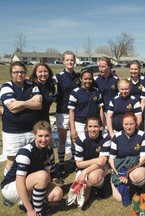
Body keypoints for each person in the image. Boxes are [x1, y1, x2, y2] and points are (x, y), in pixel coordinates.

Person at [1, 121, 63, 216]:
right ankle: (37, 211)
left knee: (58, 193)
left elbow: (48, 177)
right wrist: (29, 209)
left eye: (47, 136)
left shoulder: (49, 150)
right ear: (34, 135)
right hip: (11, 187)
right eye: (40, 136)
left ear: (51, 136)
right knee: (42, 176)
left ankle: (35, 201)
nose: (44, 139)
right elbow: (19, 182)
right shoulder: (25, 152)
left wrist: (48, 195)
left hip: (30, 182)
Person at [0, 61, 42, 177]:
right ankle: (7, 185)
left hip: (30, 130)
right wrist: (29, 102)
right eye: (16, 72)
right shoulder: (6, 86)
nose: (19, 74)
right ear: (11, 73)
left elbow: (39, 105)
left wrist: (21, 103)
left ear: (25, 73)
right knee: (12, 161)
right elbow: (12, 109)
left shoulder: (32, 85)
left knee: (29, 159)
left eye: (22, 72)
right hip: (12, 131)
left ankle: (27, 186)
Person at [66, 116, 111, 208]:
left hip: (99, 167)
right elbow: (78, 163)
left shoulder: (106, 137)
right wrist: (94, 161)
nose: (93, 129)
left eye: (95, 126)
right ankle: (88, 186)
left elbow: (102, 161)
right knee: (78, 203)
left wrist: (85, 172)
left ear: (100, 127)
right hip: (84, 166)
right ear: (86, 127)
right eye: (90, 126)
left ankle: (100, 187)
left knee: (93, 178)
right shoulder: (80, 140)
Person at [109, 112, 145, 207]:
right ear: (122, 124)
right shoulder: (117, 137)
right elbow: (111, 159)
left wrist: (127, 172)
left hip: (137, 166)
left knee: (137, 176)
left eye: (131, 124)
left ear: (136, 123)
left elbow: (143, 159)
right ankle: (115, 181)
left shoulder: (143, 135)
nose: (129, 127)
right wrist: (119, 174)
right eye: (126, 124)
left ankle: (138, 187)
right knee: (119, 198)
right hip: (120, 168)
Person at [53, 51, 80, 179]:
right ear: (63, 61)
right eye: (67, 60)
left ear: (74, 61)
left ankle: (75, 161)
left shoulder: (78, 76)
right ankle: (62, 165)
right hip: (62, 111)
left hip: (75, 112)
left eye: (72, 60)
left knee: (75, 137)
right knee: (62, 140)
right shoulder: (57, 77)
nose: (70, 62)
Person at [68, 70, 104, 142]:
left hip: (93, 124)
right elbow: (71, 111)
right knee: (79, 148)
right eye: (85, 79)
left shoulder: (96, 91)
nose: (88, 81)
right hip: (80, 124)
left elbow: (101, 109)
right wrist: (72, 129)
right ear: (81, 79)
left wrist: (102, 125)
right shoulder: (75, 92)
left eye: (90, 79)